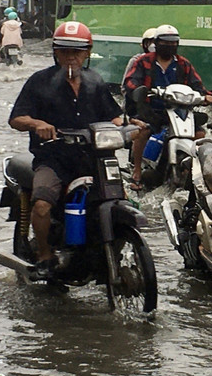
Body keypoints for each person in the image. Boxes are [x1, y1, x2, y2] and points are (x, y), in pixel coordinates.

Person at [8, 22, 125, 279]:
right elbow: (16, 119)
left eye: (77, 51)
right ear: (55, 52)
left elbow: (114, 117)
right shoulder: (39, 81)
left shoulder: (96, 82)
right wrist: (37, 123)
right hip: (53, 159)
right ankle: (45, 254)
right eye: (65, 51)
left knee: (121, 201)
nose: (71, 57)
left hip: (93, 159)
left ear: (87, 53)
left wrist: (130, 126)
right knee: (41, 206)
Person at [124, 24, 212, 190]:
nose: (169, 46)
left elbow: (197, 85)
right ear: (157, 43)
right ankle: (136, 171)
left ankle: (195, 172)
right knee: (142, 130)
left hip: (179, 110)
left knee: (200, 133)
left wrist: (206, 96)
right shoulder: (143, 62)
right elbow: (130, 81)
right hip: (151, 110)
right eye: (165, 42)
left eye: (173, 42)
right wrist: (139, 91)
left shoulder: (183, 64)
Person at [121, 27, 158, 117]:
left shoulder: (167, 62)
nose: (153, 45)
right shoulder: (136, 61)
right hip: (138, 108)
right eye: (150, 42)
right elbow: (124, 87)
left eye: (155, 42)